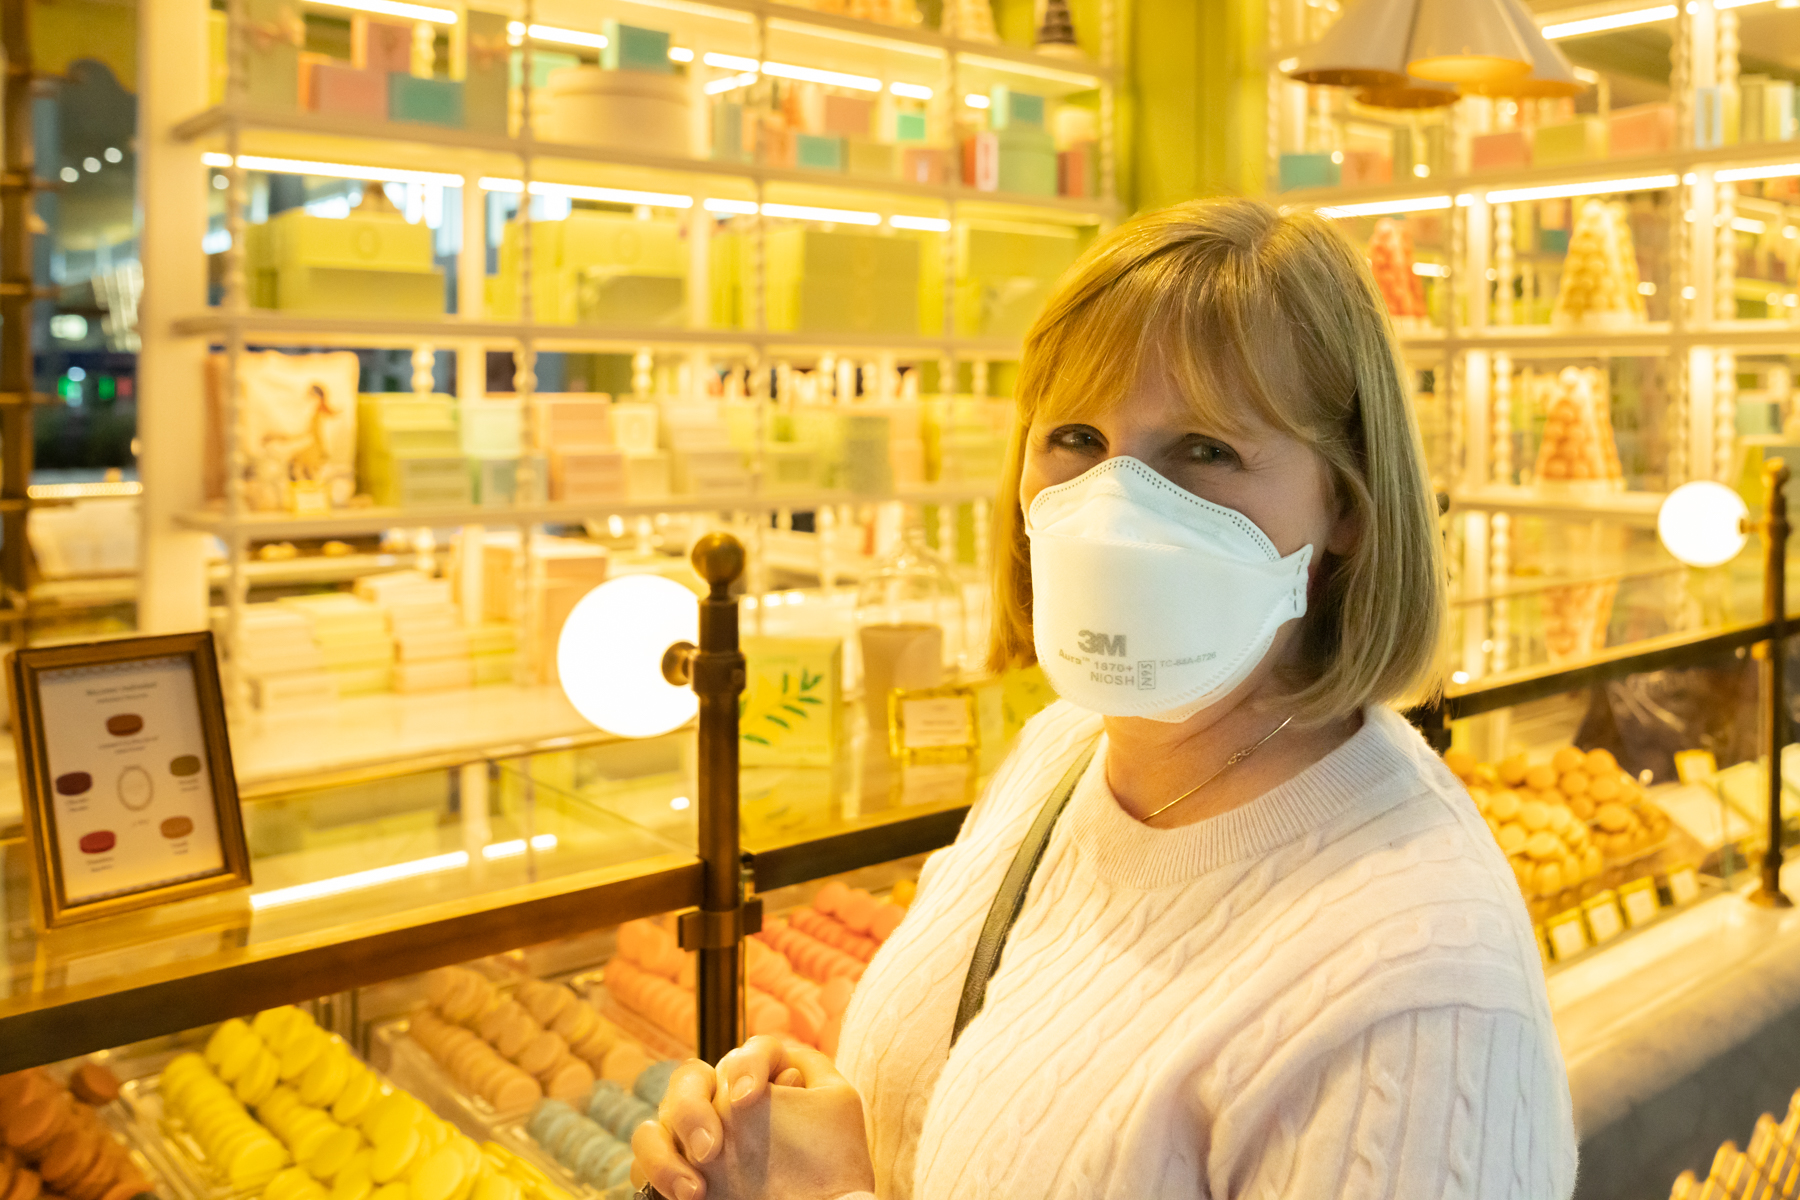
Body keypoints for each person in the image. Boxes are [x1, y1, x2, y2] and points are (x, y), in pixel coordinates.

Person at [633, 197, 1578, 1200]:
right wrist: (790, 1149)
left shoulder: (1417, 1001)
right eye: (1076, 438)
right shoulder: (1064, 753)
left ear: (1344, 503)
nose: (1118, 505)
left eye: (1205, 450)